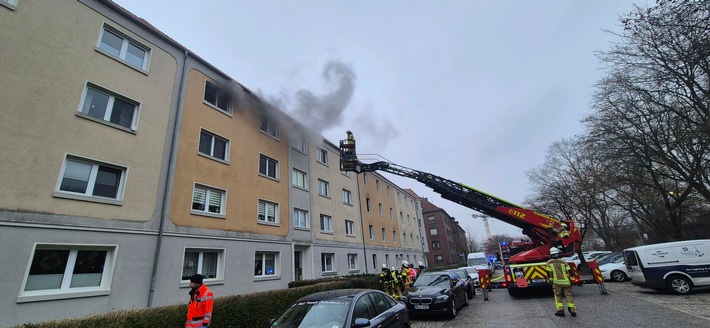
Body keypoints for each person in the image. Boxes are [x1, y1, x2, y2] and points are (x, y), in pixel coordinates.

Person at [546, 247, 577, 317]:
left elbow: (549, 272)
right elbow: (569, 271)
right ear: (557, 254)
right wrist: (571, 279)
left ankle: (560, 311)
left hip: (557, 283)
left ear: (551, 254)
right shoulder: (563, 261)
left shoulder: (549, 262)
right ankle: (573, 311)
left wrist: (550, 280)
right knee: (569, 296)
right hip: (566, 282)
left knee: (558, 296)